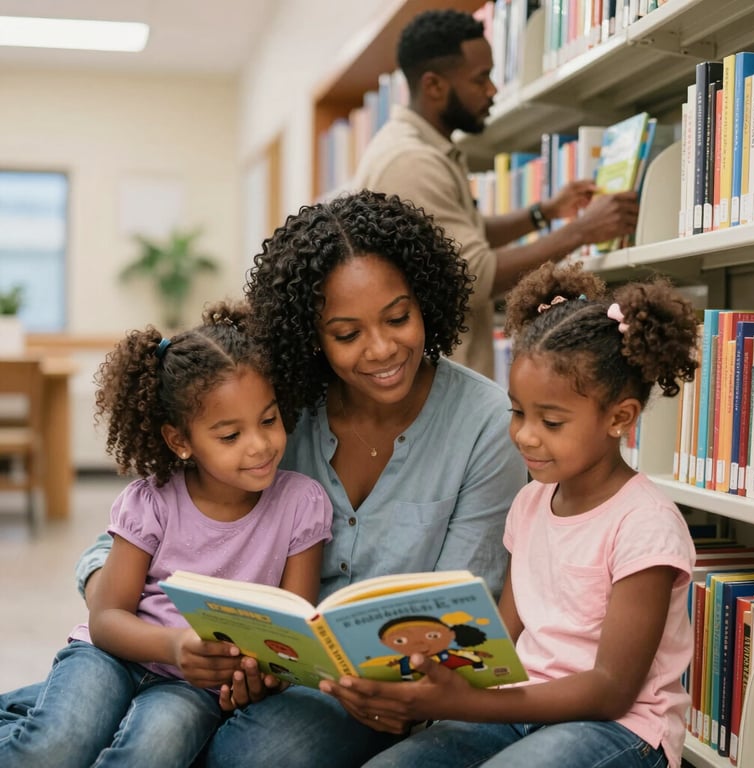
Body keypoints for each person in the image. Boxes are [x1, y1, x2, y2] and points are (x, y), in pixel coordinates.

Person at [1, 190, 526, 768]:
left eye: (399, 317)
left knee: (243, 753)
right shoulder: (277, 404)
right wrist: (140, 621)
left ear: (427, 300)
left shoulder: (487, 424)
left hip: (364, 686)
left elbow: (462, 613)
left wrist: (415, 697)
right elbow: (128, 540)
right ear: (312, 334)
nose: (382, 349)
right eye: (347, 334)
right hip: (235, 664)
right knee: (78, 727)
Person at [320, 260, 699, 768]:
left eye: (552, 421)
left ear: (620, 418)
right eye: (518, 412)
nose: (524, 435)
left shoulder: (645, 526)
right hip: (518, 709)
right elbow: (500, 639)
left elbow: (610, 691)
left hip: (619, 730)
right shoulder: (531, 502)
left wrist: (466, 703)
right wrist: (429, 683)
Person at [0, 302, 333, 767]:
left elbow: (292, 636)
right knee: (56, 744)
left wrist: (265, 675)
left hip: (195, 685)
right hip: (111, 658)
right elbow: (107, 618)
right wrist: (175, 646)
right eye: (230, 435)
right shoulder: (152, 501)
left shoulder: (302, 504)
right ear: (180, 441)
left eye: (269, 420)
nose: (259, 445)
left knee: (152, 751)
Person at [354, 8, 640, 379]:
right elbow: (476, 275)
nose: (492, 90)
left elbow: (455, 238)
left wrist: (544, 212)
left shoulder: (419, 148)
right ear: (434, 86)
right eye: (481, 79)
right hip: (438, 392)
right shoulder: (412, 161)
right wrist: (583, 231)